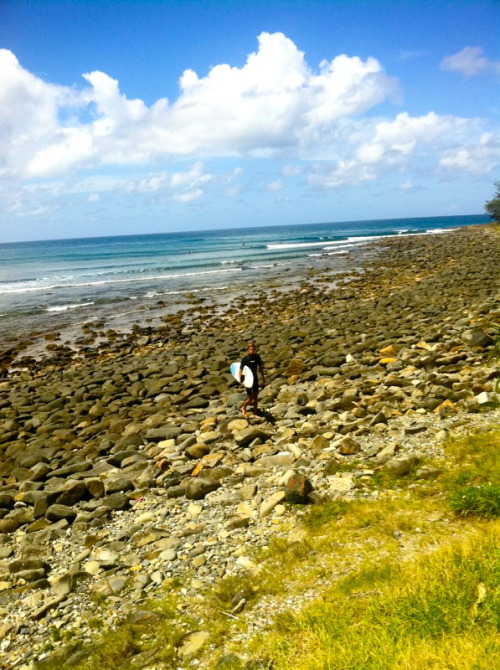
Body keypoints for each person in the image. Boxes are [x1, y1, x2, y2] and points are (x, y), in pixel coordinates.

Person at [239, 340, 266, 418]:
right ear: (247, 350)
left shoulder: (257, 357)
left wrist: (264, 379)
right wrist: (241, 381)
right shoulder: (245, 359)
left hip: (255, 378)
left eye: (253, 349)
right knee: (250, 398)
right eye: (250, 349)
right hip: (247, 380)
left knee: (256, 396)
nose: (251, 350)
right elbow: (240, 371)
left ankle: (255, 413)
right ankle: (243, 408)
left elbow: (260, 368)